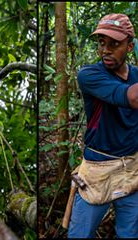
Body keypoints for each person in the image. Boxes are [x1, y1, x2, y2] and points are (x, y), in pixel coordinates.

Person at [68, 13, 138, 238]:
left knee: (129, 234)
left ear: (130, 46)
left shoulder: (136, 76)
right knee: (79, 234)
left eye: (114, 44)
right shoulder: (89, 75)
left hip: (132, 169)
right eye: (101, 43)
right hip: (98, 172)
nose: (105, 50)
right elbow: (130, 98)